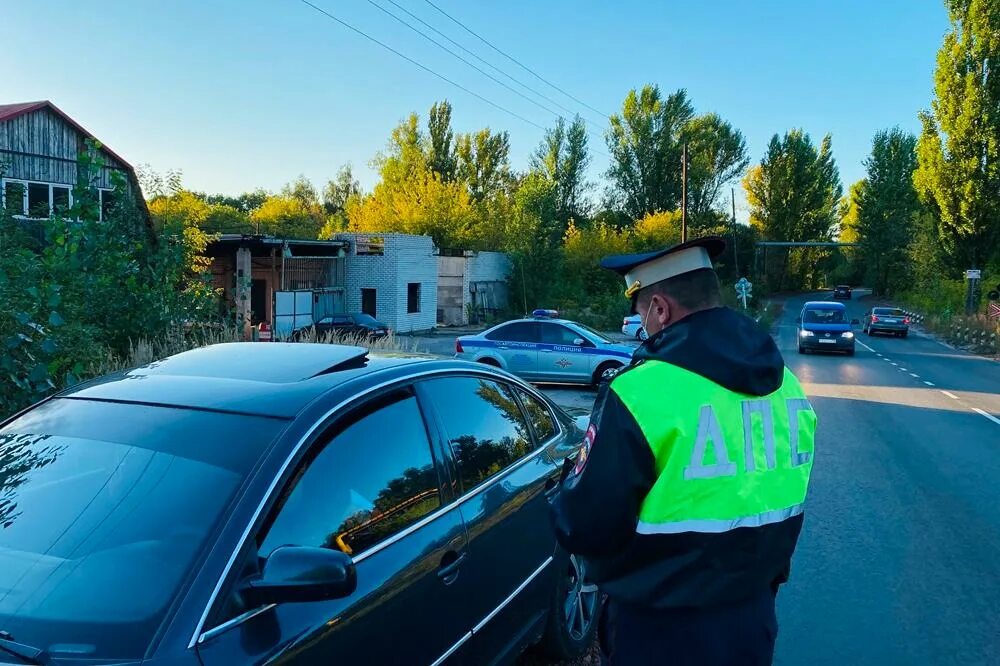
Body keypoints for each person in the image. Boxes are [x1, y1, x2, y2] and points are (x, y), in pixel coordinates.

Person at [550, 236, 816, 665]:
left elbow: (584, 525)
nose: (641, 323)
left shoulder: (640, 391)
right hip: (753, 623)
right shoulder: (787, 385)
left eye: (640, 311)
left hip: (659, 631)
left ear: (659, 308)